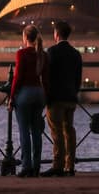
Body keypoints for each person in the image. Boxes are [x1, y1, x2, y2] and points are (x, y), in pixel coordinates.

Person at [40, 20, 83, 177]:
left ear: (56, 34)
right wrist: (74, 92)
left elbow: (47, 76)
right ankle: (69, 165)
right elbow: (78, 78)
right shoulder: (76, 54)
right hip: (71, 98)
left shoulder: (52, 52)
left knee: (56, 132)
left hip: (56, 99)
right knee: (69, 131)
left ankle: (57, 165)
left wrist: (47, 96)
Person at [7, 24, 49, 178]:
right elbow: (46, 79)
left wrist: (11, 97)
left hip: (25, 93)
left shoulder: (22, 54)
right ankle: (37, 166)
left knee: (24, 131)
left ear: (25, 38)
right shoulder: (42, 54)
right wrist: (46, 97)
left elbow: (17, 78)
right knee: (37, 131)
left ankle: (26, 167)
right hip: (39, 93)